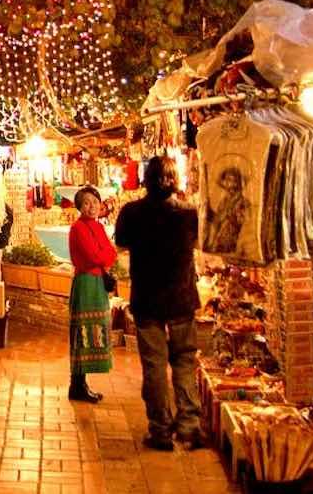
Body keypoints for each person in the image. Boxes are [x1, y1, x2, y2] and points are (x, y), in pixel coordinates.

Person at [115, 156, 202, 451]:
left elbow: (121, 244)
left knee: (154, 366)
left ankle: (161, 429)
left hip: (147, 298)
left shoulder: (131, 212)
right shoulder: (188, 214)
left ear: (146, 179)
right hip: (182, 298)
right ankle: (189, 425)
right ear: (174, 180)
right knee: (184, 362)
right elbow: (198, 243)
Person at [67, 186, 116, 403]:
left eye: (95, 201)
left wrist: (104, 256)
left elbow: (110, 253)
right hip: (86, 283)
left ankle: (81, 385)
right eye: (86, 202)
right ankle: (77, 385)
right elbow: (95, 256)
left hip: (97, 284)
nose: (92, 206)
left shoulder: (98, 226)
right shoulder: (78, 228)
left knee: (94, 331)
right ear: (79, 206)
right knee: (83, 333)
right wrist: (104, 256)